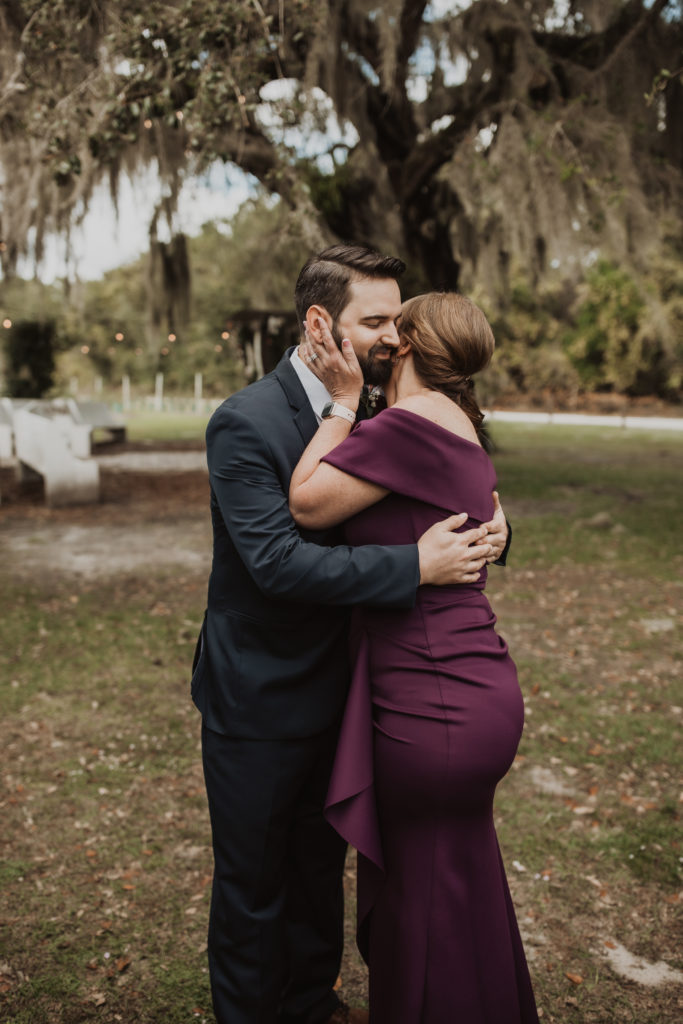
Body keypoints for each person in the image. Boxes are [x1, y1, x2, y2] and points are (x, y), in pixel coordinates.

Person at [191, 246, 511, 1024]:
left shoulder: (378, 410)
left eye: (397, 326)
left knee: (317, 872)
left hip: (357, 693)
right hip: (261, 697)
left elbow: (438, 480)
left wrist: (499, 527)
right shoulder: (246, 421)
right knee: (254, 883)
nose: (391, 341)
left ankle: (310, 1003)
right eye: (376, 323)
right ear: (318, 323)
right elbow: (274, 561)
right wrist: (411, 567)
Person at [289, 291, 539, 1023]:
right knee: (459, 882)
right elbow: (477, 506)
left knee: (419, 905)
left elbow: (305, 504)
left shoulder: (402, 425)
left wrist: (339, 402)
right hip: (471, 684)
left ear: (403, 346)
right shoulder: (458, 421)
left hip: (431, 700)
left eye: (386, 327)